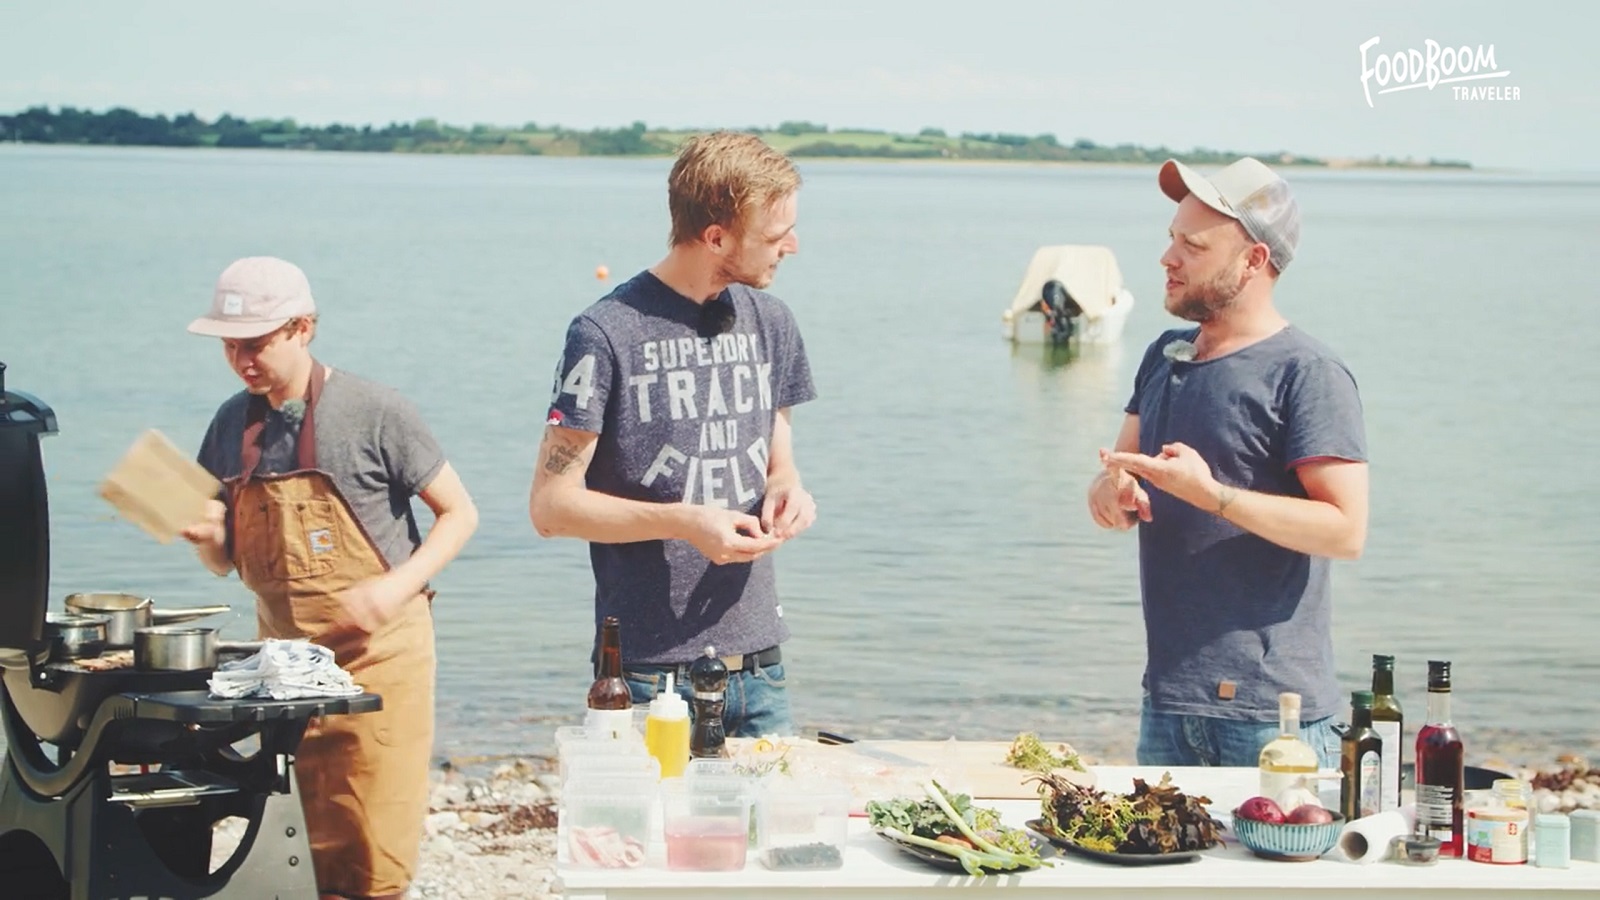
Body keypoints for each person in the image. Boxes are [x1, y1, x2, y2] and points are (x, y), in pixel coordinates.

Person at [179, 256, 478, 900]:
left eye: (255, 344)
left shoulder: (375, 411)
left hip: (379, 663)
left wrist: (393, 589)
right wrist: (208, 541)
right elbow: (227, 562)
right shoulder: (231, 423)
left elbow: (461, 514)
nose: (242, 360)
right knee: (298, 848)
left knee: (372, 852)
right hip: (283, 670)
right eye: (231, 346)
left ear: (303, 328)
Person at [529, 131, 817, 739]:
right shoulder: (605, 333)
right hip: (646, 677)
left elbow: (779, 462)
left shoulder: (773, 321)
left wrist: (790, 491)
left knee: (774, 834)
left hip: (761, 670)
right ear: (716, 237)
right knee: (646, 837)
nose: (792, 246)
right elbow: (552, 508)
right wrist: (688, 522)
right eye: (774, 235)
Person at [1088, 157, 1369, 769]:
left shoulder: (1308, 374)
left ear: (1253, 262)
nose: (1168, 258)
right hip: (1167, 702)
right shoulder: (1164, 354)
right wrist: (1113, 494)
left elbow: (1347, 531)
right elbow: (1121, 478)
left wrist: (1213, 495)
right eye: (1170, 240)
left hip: (1272, 716)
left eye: (1192, 245)